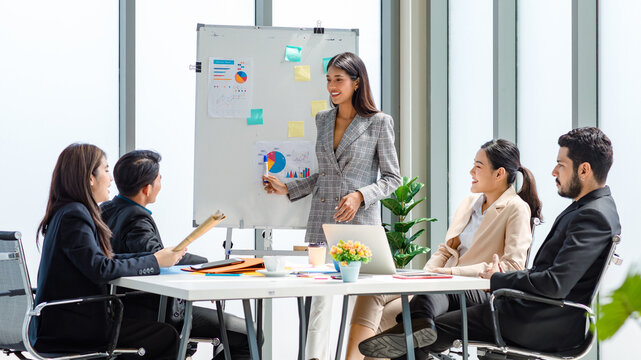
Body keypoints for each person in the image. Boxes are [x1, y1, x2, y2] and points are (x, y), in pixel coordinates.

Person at [365, 127, 621, 360]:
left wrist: (499, 279)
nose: (554, 172)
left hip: (540, 321)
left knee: (413, 339)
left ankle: (415, 331)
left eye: (560, 165)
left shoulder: (592, 216)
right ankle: (418, 324)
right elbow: (550, 276)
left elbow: (555, 284)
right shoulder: (589, 209)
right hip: (533, 310)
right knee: (424, 318)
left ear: (584, 170)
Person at [262, 52, 402, 360]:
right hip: (322, 221)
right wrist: (290, 187)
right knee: (319, 302)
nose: (331, 87)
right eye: (328, 80)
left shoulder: (379, 123)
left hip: (360, 227)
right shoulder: (323, 120)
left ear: (356, 82)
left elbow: (393, 178)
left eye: (338, 80)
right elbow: (326, 173)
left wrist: (360, 196)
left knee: (359, 303)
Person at [354, 139, 541, 359]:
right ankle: (407, 332)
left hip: (477, 290)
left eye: (478, 166)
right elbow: (445, 250)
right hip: (441, 285)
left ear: (499, 173)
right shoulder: (469, 202)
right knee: (374, 294)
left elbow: (513, 266)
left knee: (402, 320)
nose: (471, 171)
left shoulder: (516, 208)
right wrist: (430, 274)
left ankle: (418, 327)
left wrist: (451, 274)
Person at [31, 143, 185, 359]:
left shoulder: (67, 211)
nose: (111, 178)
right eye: (105, 170)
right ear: (89, 178)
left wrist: (153, 259)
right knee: (165, 335)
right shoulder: (75, 215)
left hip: (61, 322)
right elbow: (100, 268)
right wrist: (154, 261)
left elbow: (103, 259)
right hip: (72, 328)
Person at [101, 149, 252, 360]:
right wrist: (206, 265)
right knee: (249, 335)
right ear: (147, 188)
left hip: (121, 310)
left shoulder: (106, 209)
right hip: (154, 312)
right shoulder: (136, 218)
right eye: (159, 179)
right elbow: (155, 257)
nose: (161, 184)